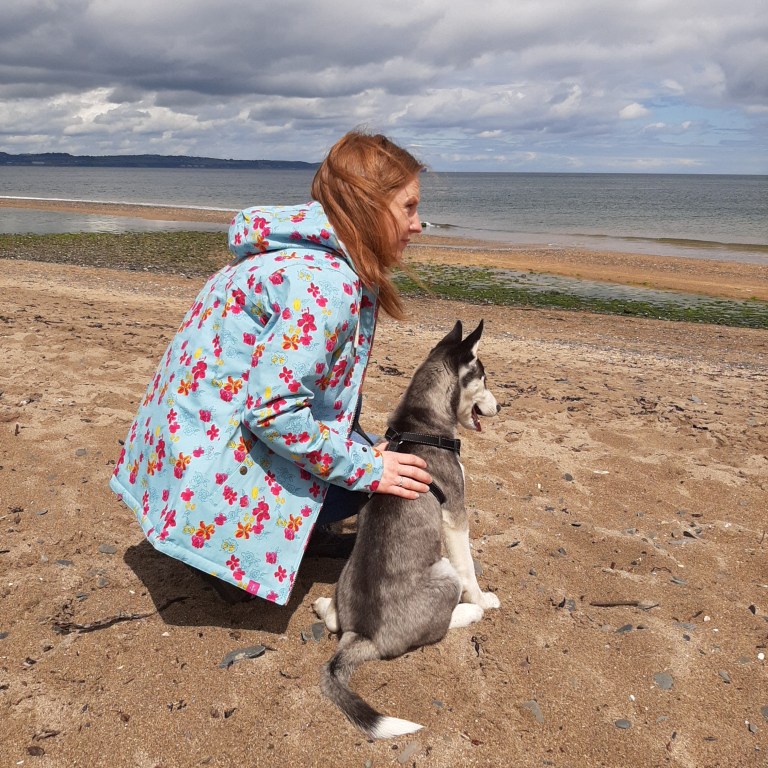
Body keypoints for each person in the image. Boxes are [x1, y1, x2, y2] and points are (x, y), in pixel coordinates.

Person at [110, 130, 432, 605]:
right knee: (376, 481)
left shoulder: (281, 252)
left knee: (357, 436)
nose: (419, 225)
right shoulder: (325, 283)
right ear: (368, 204)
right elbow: (273, 413)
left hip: (182, 454)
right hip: (210, 478)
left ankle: (298, 533)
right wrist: (368, 467)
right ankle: (228, 554)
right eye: (408, 208)